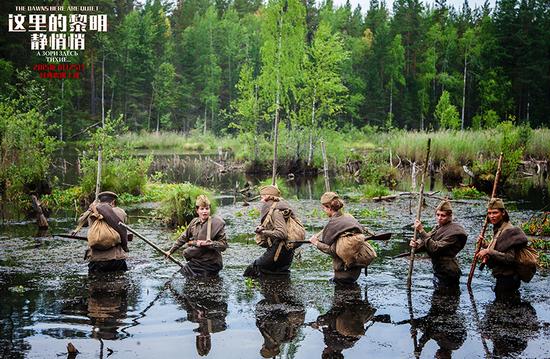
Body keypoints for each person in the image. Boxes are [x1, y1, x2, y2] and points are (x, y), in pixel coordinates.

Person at [309, 192, 372, 285]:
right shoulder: (350, 218)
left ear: (329, 208)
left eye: (323, 208)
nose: (323, 210)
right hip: (355, 273)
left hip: (342, 274)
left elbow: (331, 250)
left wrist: (316, 243)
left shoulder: (332, 224)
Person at [475, 198, 529, 300]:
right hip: (503, 277)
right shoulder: (499, 228)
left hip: (508, 279)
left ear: (503, 213)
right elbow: (500, 248)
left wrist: (488, 251)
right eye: (489, 213)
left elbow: (509, 258)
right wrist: (485, 245)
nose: (491, 216)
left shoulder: (509, 231)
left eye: (495, 213)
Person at [409, 200, 468, 288]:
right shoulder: (438, 227)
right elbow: (427, 240)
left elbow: (435, 247)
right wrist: (416, 244)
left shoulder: (455, 232)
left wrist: (421, 230)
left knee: (448, 298)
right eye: (438, 215)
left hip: (448, 272)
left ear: (450, 216)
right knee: (437, 298)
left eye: (443, 215)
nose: (439, 218)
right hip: (438, 269)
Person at [166, 195, 228, 277]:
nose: (204, 211)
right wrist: (170, 251)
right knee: (180, 276)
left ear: (210, 209)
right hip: (197, 261)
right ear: (197, 210)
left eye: (207, 208)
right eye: (202, 209)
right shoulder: (194, 223)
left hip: (211, 263)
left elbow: (223, 246)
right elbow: (183, 238)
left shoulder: (217, 223)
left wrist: (210, 244)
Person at [311, 283, 376, 359]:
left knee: (353, 283)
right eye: (324, 353)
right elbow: (328, 319)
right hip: (342, 301)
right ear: (328, 355)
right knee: (342, 281)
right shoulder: (331, 343)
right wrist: (318, 323)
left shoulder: (350, 344)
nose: (323, 350)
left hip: (357, 305)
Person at [243, 185, 297, 277]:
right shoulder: (283, 207)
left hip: (278, 251)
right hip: (288, 252)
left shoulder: (276, 211)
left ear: (268, 197)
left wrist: (263, 232)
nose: (261, 200)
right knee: (278, 275)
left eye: (262, 197)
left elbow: (282, 234)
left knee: (253, 270)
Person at [75, 191, 129, 273]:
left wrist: (91, 209)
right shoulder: (120, 212)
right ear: (113, 202)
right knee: (119, 283)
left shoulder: (90, 213)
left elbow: (81, 222)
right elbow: (123, 228)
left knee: (95, 284)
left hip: (96, 260)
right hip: (117, 259)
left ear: (99, 201)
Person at [255, 277, 305, 358]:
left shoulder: (280, 338)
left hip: (291, 310)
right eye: (263, 348)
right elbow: (280, 321)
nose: (262, 345)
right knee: (275, 290)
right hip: (285, 309)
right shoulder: (274, 338)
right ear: (266, 348)